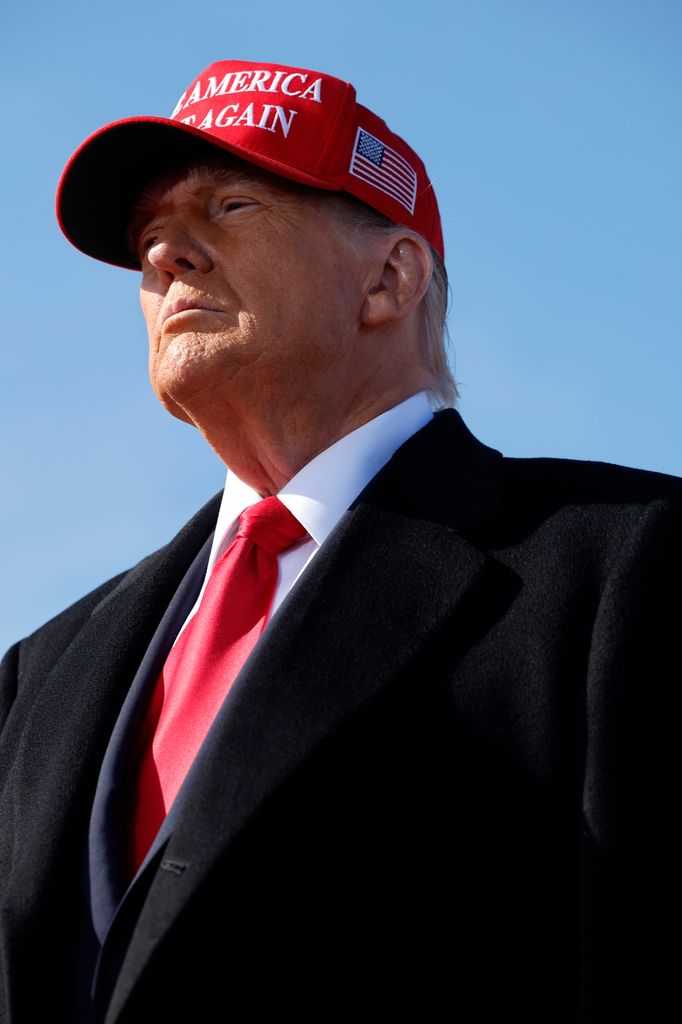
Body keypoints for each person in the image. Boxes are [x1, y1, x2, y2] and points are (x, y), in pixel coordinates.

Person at [0, 59, 679, 1024]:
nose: (166, 258)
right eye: (151, 235)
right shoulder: (43, 669)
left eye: (229, 207)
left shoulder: (626, 568)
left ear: (390, 278)